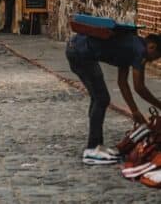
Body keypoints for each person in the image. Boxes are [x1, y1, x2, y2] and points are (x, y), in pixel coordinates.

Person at [66, 30, 161, 165]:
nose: (150, 61)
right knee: (101, 98)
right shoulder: (139, 51)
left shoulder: (131, 46)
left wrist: (134, 110)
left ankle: (97, 145)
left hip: (76, 48)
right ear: (152, 46)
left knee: (98, 97)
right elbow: (139, 87)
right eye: (154, 57)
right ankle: (92, 149)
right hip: (80, 53)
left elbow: (122, 83)